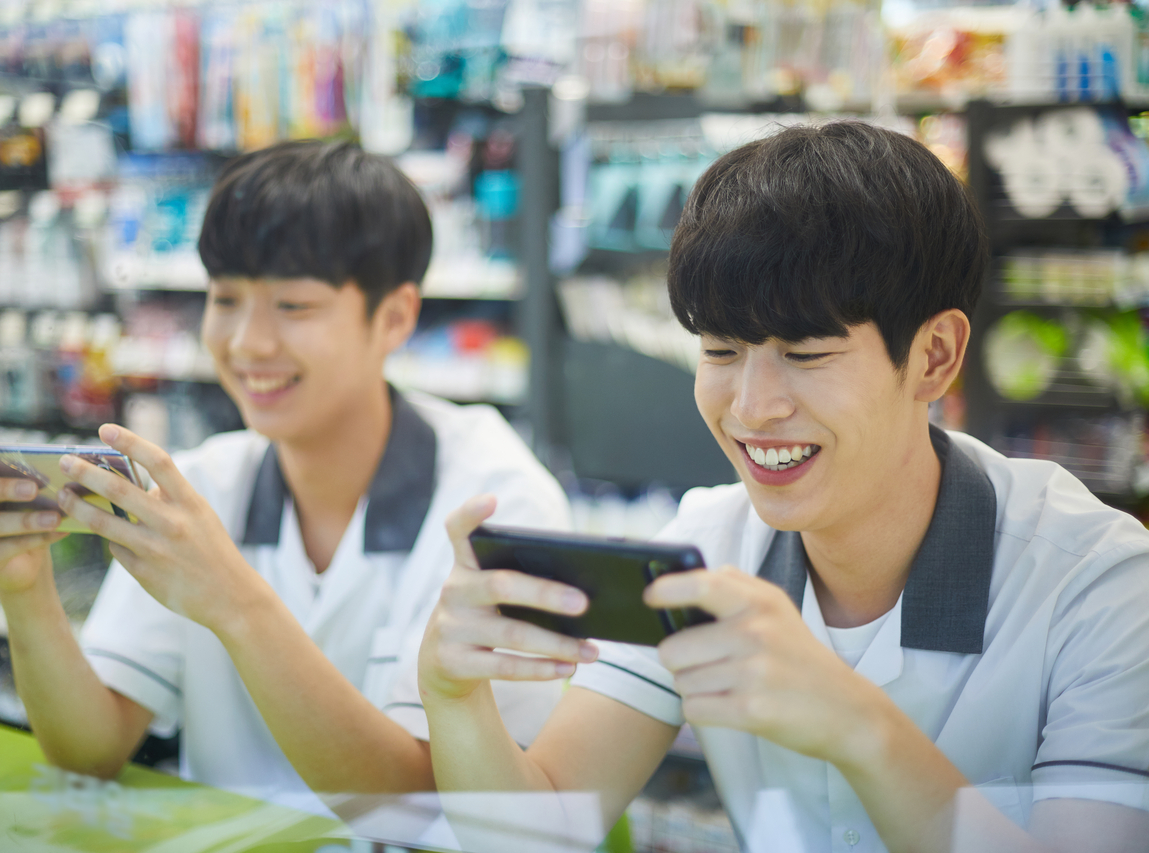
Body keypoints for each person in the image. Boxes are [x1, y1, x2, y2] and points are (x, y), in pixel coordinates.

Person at [419, 121, 1149, 853]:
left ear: (934, 356)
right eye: (720, 351)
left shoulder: (1098, 584)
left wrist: (857, 724)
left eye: (805, 353)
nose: (752, 406)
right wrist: (452, 695)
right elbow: (536, 833)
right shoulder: (707, 550)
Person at [0, 141, 569, 809]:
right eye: (226, 298)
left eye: (293, 306)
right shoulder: (203, 486)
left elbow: (417, 806)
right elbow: (88, 750)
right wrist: (25, 588)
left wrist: (235, 603)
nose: (247, 342)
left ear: (394, 318)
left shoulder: (498, 503)